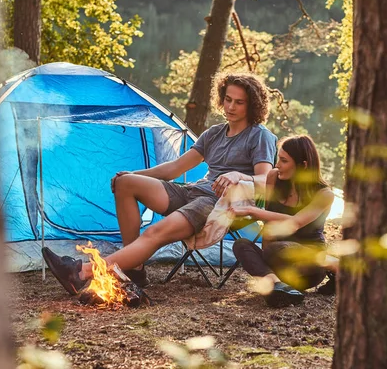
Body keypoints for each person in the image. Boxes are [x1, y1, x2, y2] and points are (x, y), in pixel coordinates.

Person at [42, 72, 278, 295]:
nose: (231, 107)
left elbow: (265, 180)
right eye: (228, 99)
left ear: (252, 106)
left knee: (155, 231)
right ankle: (135, 268)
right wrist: (134, 173)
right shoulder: (214, 133)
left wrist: (238, 175)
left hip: (217, 204)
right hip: (193, 191)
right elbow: (173, 169)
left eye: (239, 102)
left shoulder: (259, 136)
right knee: (125, 183)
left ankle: (83, 271)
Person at [230, 135, 334, 307]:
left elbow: (295, 222)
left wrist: (251, 210)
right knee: (240, 245)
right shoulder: (273, 177)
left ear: (303, 165)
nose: (277, 165)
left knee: (277, 249)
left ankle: (325, 266)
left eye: (284, 161)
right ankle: (278, 285)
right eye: (278, 158)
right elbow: (269, 222)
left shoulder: (324, 194)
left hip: (307, 266)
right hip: (276, 260)